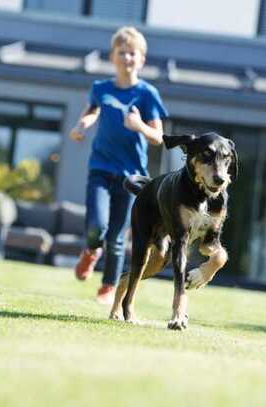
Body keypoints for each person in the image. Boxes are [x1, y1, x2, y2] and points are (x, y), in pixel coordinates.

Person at [69, 26, 168, 305]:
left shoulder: (147, 94)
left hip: (132, 177)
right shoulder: (101, 88)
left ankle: (108, 287)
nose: (127, 58)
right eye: (121, 53)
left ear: (141, 59)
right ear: (112, 57)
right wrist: (80, 126)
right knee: (96, 227)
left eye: (132, 53)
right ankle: (90, 250)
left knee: (116, 236)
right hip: (100, 168)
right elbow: (91, 112)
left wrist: (138, 126)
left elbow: (159, 137)